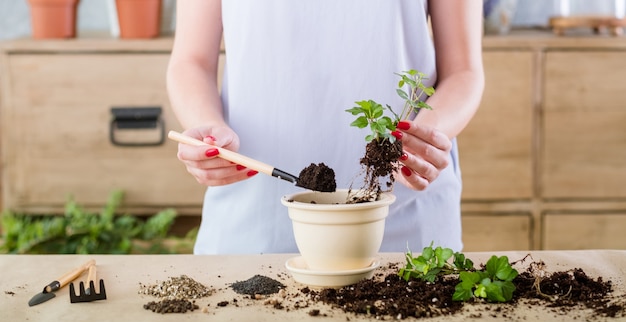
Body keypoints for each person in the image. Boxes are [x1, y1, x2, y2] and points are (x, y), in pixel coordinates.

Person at [167, 0, 485, 254]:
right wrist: (206, 128)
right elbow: (191, 60)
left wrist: (425, 137)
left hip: (405, 225)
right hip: (253, 225)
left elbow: (463, 70)